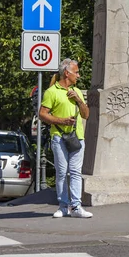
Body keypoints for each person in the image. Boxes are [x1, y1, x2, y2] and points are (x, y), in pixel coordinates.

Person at [39, 58, 92, 219]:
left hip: (77, 138)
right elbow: (42, 114)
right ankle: (63, 206)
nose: (79, 75)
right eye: (76, 72)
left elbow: (86, 114)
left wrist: (77, 99)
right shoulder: (51, 92)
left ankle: (76, 207)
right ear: (67, 73)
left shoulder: (77, 91)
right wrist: (62, 121)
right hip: (59, 137)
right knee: (62, 172)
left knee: (75, 172)